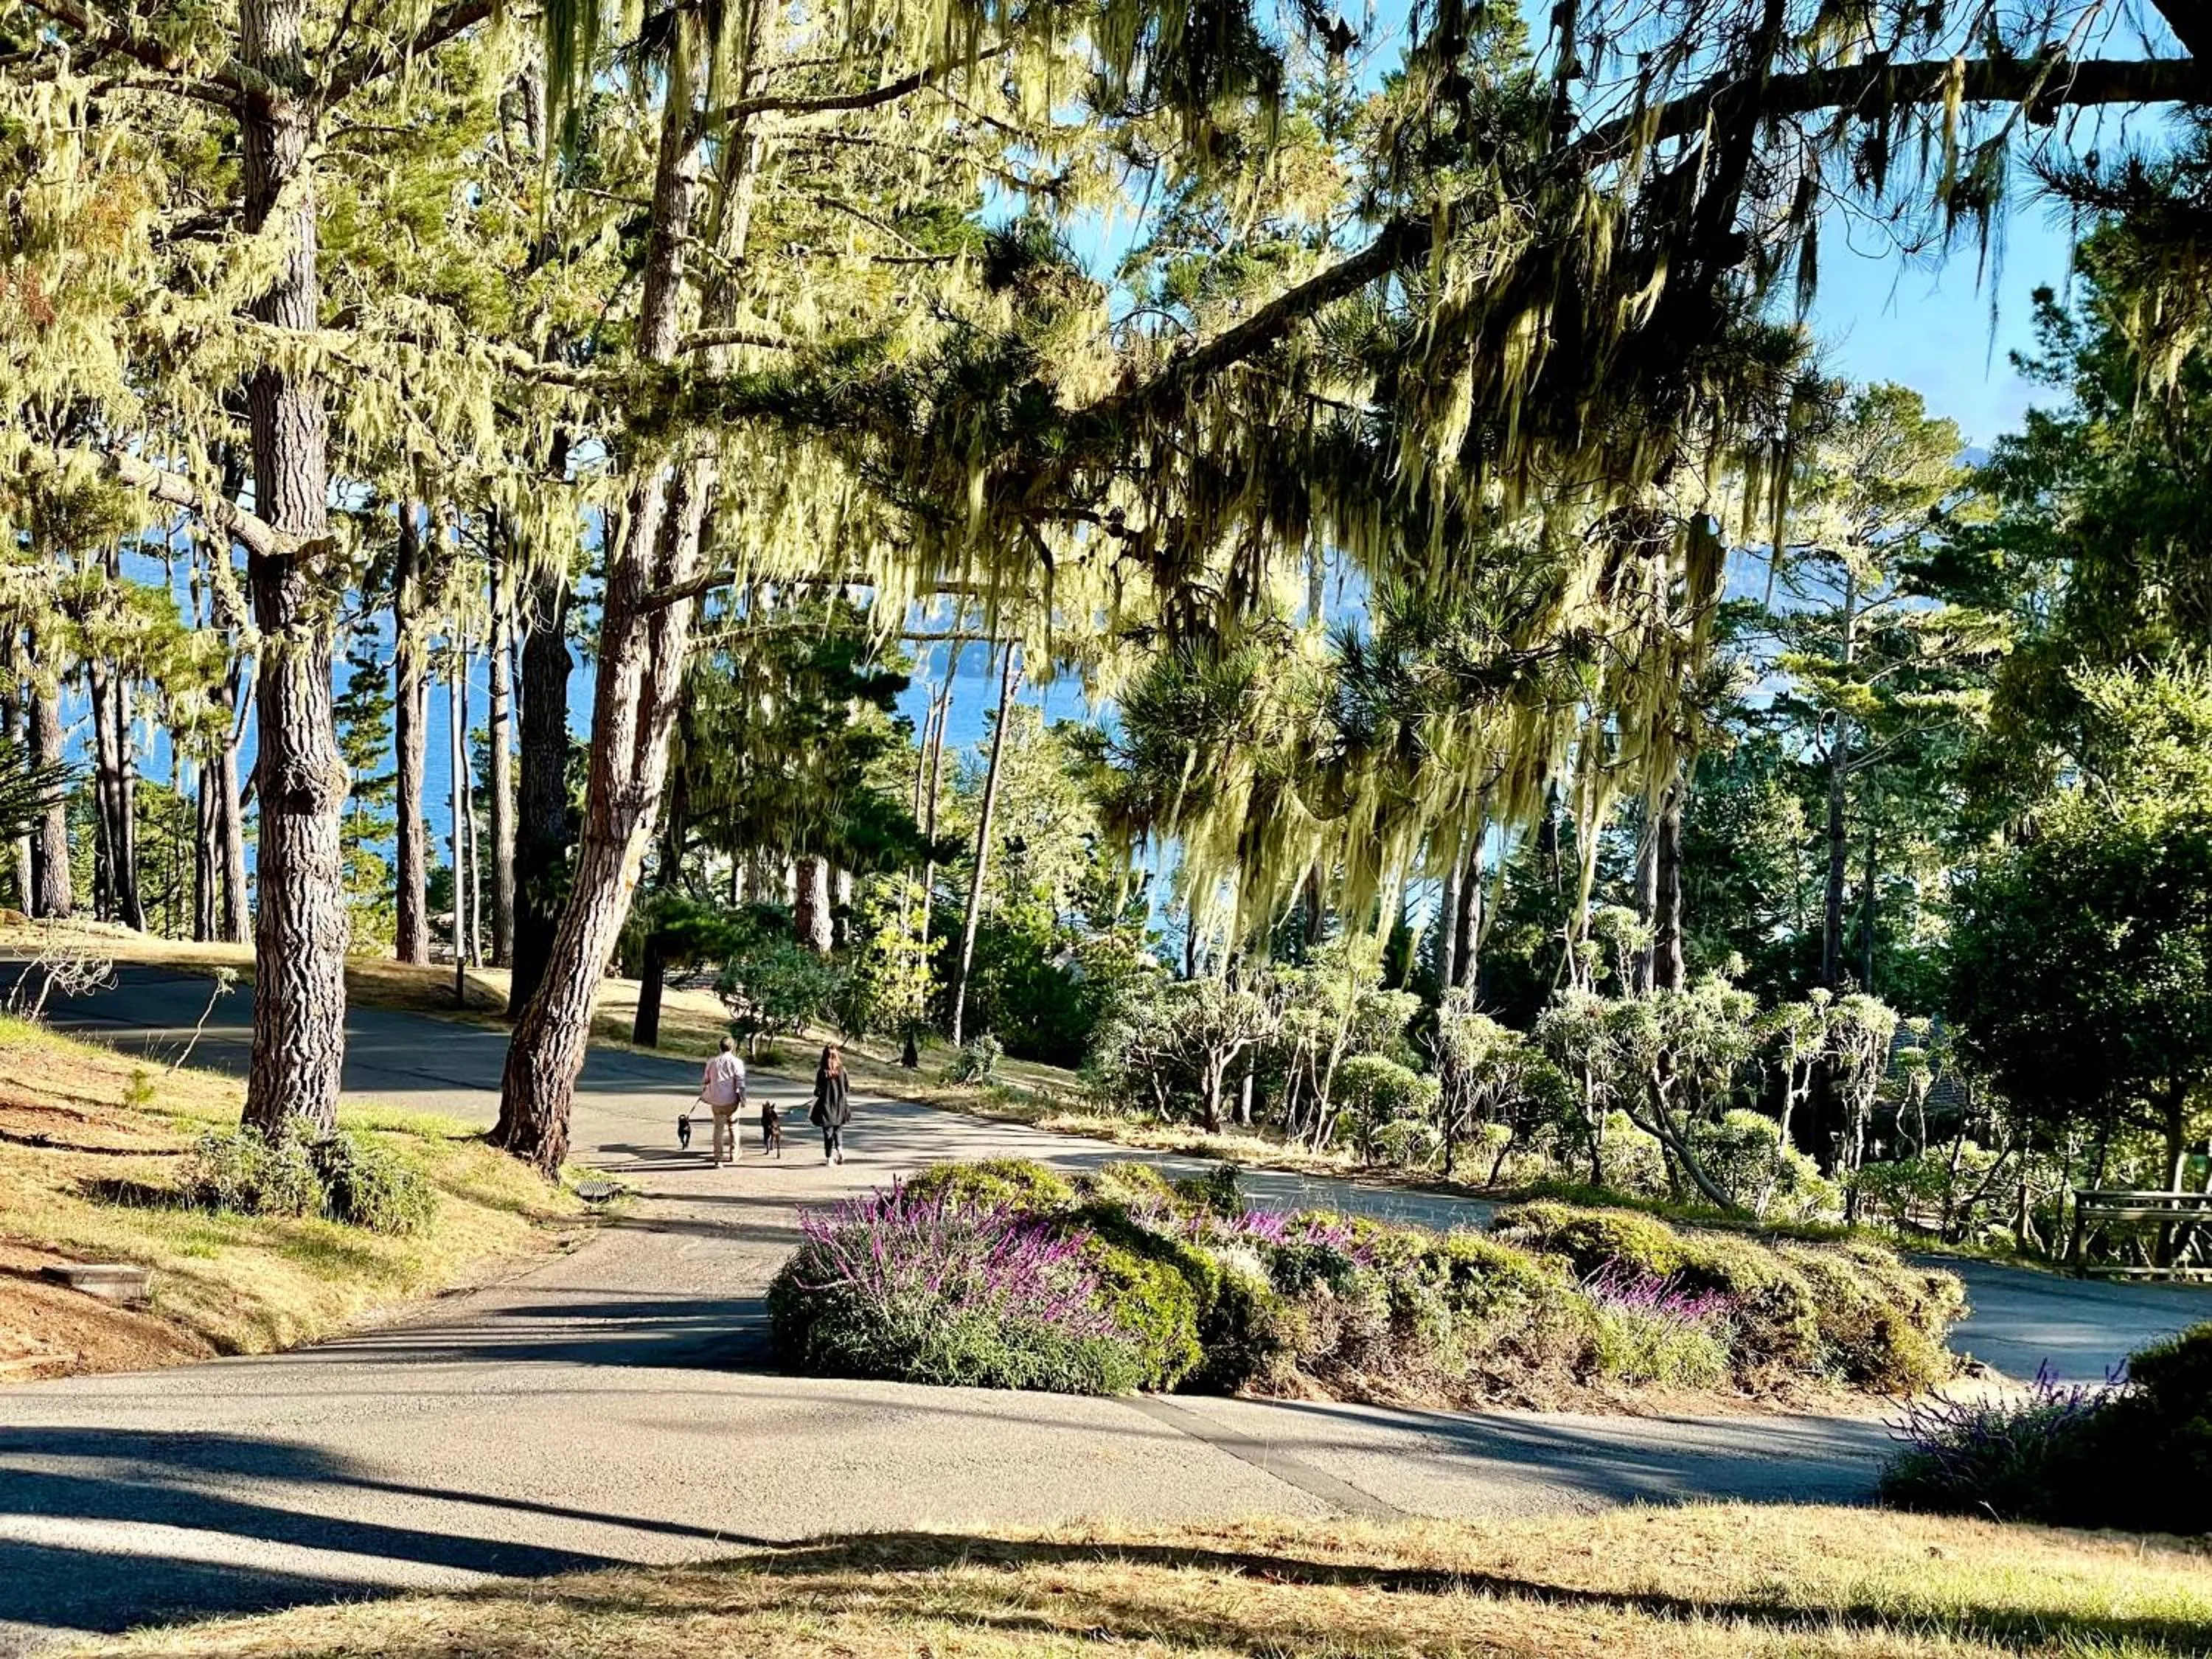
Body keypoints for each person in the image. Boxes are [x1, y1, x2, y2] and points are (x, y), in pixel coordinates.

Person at [699, 1036, 745, 1166]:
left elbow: (705, 1080)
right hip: (732, 1100)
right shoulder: (737, 1062)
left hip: (716, 1100)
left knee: (718, 1129)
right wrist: (743, 1099)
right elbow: (740, 1083)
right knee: (734, 1126)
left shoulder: (712, 1062)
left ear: (720, 1047)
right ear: (733, 1048)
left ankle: (718, 1158)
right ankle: (734, 1153)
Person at [809, 1044, 850, 1164]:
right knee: (838, 1130)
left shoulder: (822, 1072)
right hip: (840, 1104)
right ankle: (840, 1150)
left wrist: (812, 1105)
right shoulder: (842, 1070)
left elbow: (818, 1091)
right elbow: (847, 1088)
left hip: (826, 1105)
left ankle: (829, 1159)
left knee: (828, 1132)